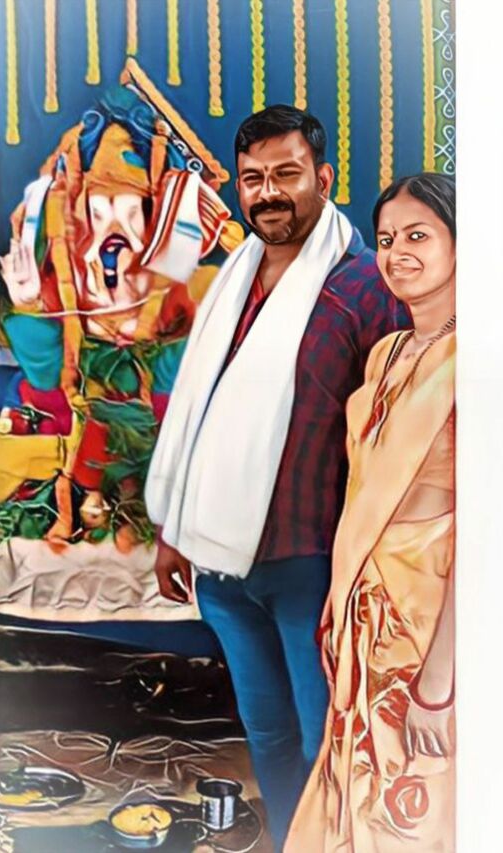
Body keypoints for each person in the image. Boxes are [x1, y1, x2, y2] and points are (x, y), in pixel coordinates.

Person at [144, 104, 409, 851]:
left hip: (311, 563)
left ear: (324, 178)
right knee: (266, 731)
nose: (269, 193)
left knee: (328, 736)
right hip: (223, 566)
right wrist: (174, 533)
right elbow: (199, 416)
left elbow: (391, 433)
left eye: (286, 174)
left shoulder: (365, 286)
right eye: (254, 178)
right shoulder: (233, 277)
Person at [285, 172, 456, 852]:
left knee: (411, 811)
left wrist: (439, 684)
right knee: (353, 793)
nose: (397, 253)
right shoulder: (386, 352)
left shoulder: (483, 360)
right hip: (367, 618)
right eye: (386, 239)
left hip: (428, 627)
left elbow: (490, 537)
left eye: (418, 236)